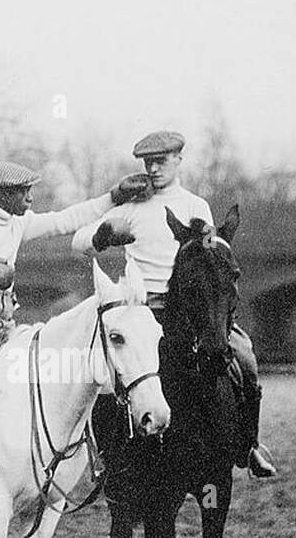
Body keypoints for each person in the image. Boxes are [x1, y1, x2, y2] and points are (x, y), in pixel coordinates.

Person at [0, 160, 151, 494]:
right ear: (1, 194)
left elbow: (64, 220)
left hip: (0, 323)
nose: (30, 198)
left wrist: (114, 197)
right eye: (23, 192)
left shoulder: (15, 222)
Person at [73, 130, 276, 477]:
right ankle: (103, 454)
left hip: (190, 310)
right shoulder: (130, 208)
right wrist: (102, 235)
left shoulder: (196, 206)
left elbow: (211, 257)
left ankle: (249, 444)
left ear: (178, 161)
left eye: (161, 161)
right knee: (105, 370)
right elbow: (79, 242)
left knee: (244, 355)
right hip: (142, 310)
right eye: (148, 163)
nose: (153, 169)